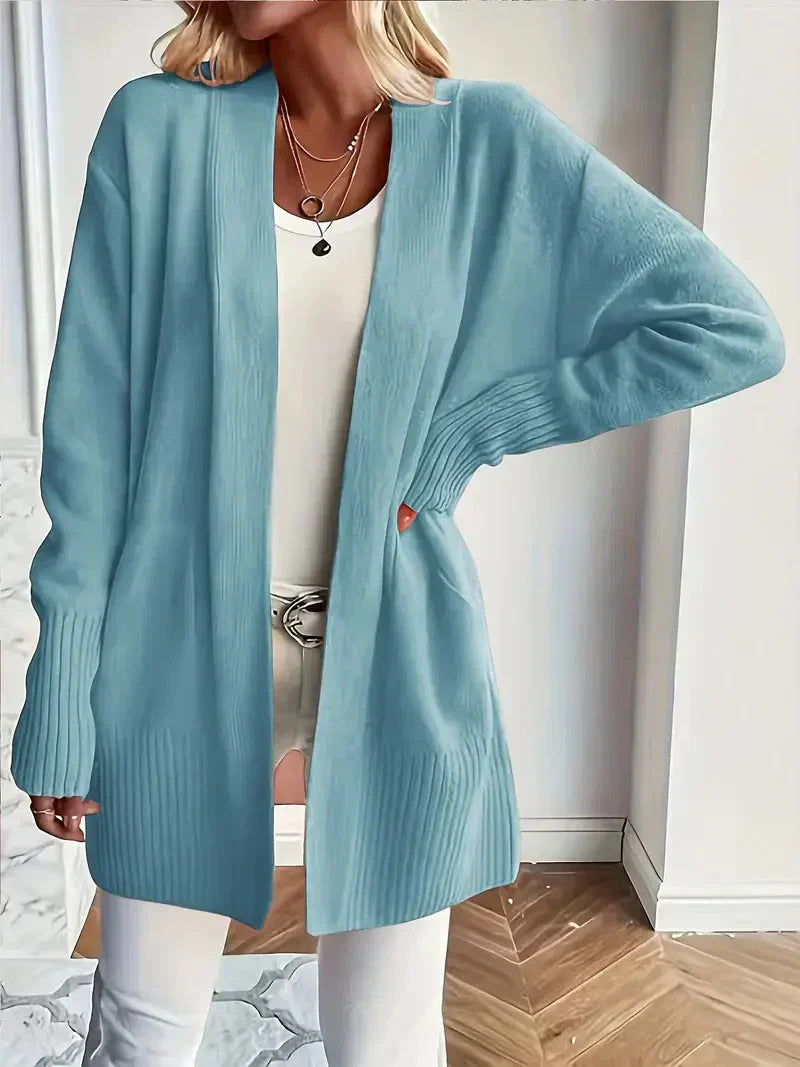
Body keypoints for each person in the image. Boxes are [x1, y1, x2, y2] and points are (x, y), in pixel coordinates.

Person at [10, 2, 785, 1065]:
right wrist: (61, 684)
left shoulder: (488, 138)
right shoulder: (155, 131)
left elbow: (729, 326)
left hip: (397, 655)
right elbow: (90, 440)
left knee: (385, 1044)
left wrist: (477, 429)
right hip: (171, 650)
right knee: (140, 1031)